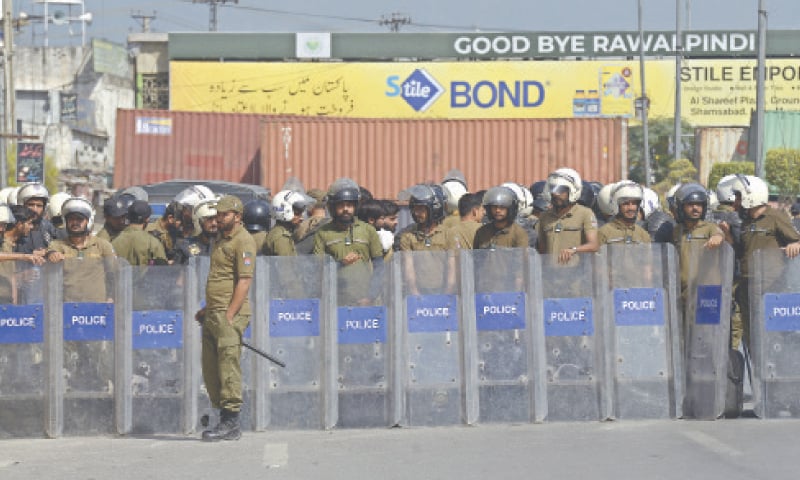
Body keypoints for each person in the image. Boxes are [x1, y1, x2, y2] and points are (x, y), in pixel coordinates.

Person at [195, 195, 256, 442]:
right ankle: (222, 417)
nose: (218, 218)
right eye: (217, 215)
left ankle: (231, 423)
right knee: (211, 369)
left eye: (224, 214)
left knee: (227, 366)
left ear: (237, 216)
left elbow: (244, 281)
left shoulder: (244, 241)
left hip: (229, 314)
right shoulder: (220, 239)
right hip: (213, 312)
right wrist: (208, 309)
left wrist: (229, 315)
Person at [731, 175, 800, 352]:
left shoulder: (775, 217)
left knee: (771, 337)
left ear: (751, 195)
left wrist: (795, 244)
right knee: (751, 339)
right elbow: (743, 252)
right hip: (748, 286)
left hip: (772, 287)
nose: (737, 200)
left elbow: (796, 239)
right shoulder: (747, 222)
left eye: (739, 195)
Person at [312, 178, 384, 306]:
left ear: (355, 207)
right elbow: (318, 269)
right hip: (336, 301)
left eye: (349, 205)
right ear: (333, 207)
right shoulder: (323, 233)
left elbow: (379, 266)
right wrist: (340, 264)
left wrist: (371, 296)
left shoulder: (368, 230)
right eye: (341, 205)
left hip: (366, 301)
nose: (346, 209)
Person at [45, 197, 116, 303]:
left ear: (88, 221)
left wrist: (111, 297)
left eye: (79, 219)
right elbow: (50, 254)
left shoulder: (103, 245)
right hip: (67, 307)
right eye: (71, 219)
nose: (75, 223)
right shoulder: (57, 245)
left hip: (97, 308)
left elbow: (114, 274)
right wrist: (51, 254)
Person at [397, 184, 457, 295]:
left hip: (443, 292)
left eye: (421, 209)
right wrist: (415, 293)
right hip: (417, 293)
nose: (416, 213)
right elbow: (408, 267)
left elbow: (452, 267)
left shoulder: (448, 234)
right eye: (414, 208)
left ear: (434, 209)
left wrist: (448, 293)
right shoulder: (408, 235)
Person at [535, 168, 599, 263]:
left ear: (572, 191)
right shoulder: (544, 216)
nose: (556, 194)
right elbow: (542, 249)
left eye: (561, 190)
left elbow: (593, 245)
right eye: (553, 189)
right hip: (550, 275)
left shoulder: (585, 213)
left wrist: (574, 249)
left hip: (576, 275)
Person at [0, 205, 45, 304]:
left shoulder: (16, 245)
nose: (31, 227)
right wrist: (24, 256)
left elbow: (10, 277)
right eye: (29, 223)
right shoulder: (4, 244)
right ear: (19, 224)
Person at [112, 200, 168, 266]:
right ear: (146, 219)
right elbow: (162, 270)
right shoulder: (152, 242)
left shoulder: (114, 241)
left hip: (122, 276)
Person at [474, 185, 529, 250]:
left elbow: (522, 258)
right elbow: (476, 257)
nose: (497, 210)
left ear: (510, 209)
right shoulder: (482, 232)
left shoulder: (519, 233)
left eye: (502, 207)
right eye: (494, 207)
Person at [597, 181, 651, 246]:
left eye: (634, 204)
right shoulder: (604, 233)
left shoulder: (643, 235)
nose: (631, 208)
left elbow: (648, 256)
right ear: (617, 205)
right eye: (626, 204)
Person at [265, 189, 314, 256]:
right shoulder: (282, 239)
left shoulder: (279, 232)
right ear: (285, 212)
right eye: (298, 212)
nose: (301, 218)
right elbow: (287, 265)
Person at [15, 183, 58, 255]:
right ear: (22, 205)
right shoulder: (14, 226)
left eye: (39, 206)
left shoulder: (48, 227)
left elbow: (58, 245)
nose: (35, 209)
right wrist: (32, 253)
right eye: (31, 204)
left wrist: (51, 252)